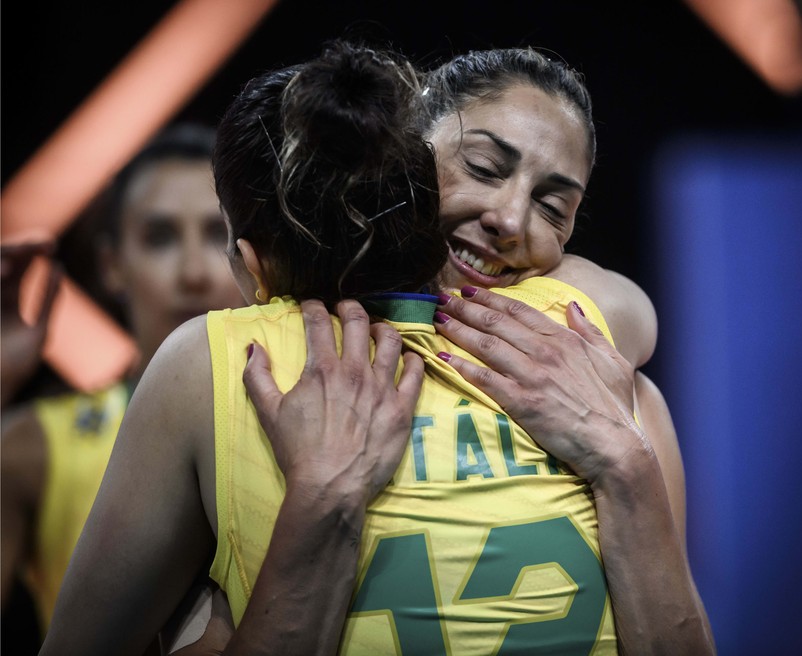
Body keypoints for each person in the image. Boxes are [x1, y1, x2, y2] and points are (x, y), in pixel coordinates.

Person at [43, 42, 714, 655]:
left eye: (553, 209)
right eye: (483, 167)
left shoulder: (604, 384)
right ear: (402, 158)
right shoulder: (227, 367)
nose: (510, 220)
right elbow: (627, 305)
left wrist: (625, 463)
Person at [0, 121, 245, 647]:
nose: (193, 272)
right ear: (112, 264)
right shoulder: (32, 449)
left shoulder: (327, 415)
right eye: (159, 238)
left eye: (216, 234)